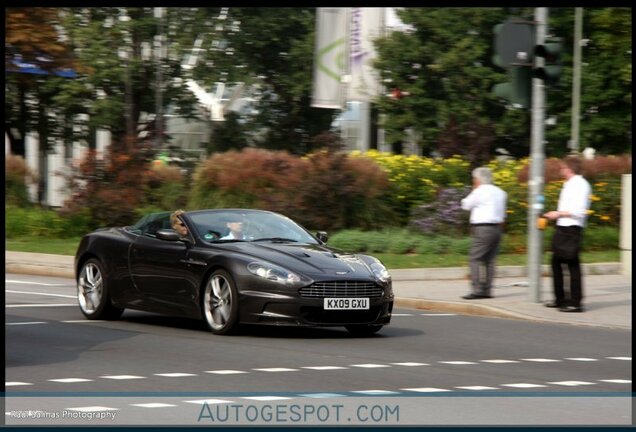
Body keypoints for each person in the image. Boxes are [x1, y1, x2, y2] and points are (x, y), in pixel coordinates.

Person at [543, 155, 592, 313]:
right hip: (563, 227)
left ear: (570, 169)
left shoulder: (580, 185)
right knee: (556, 263)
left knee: (572, 264)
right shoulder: (570, 184)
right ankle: (560, 299)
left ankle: (575, 302)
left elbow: (579, 211)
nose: (561, 169)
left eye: (563, 167)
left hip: (571, 228)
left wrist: (558, 214)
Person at [460, 167, 507, 299]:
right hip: (497, 228)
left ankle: (477, 290)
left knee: (475, 258)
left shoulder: (479, 191)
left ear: (477, 179)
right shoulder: (501, 192)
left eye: (474, 179)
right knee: (490, 260)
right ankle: (487, 290)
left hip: (482, 228)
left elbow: (465, 205)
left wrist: (474, 190)